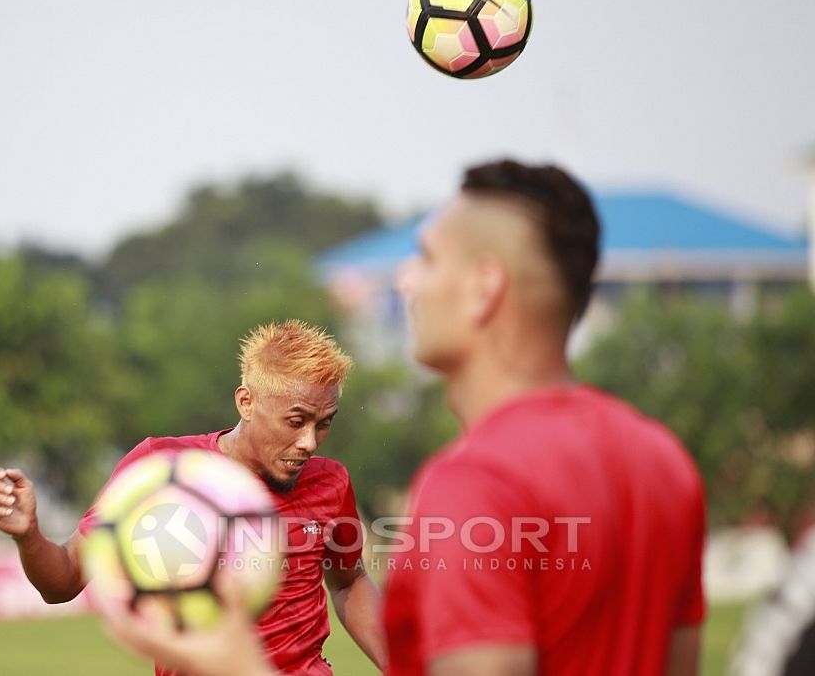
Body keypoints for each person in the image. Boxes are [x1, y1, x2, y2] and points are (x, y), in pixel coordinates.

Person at [102, 159, 707, 676]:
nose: (406, 278)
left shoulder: (475, 485)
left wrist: (236, 664)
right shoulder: (663, 460)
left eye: (427, 258)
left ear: (484, 287)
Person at [0, 319, 387, 675]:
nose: (309, 442)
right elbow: (64, 581)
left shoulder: (331, 483)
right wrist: (28, 535)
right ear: (246, 402)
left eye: (324, 424)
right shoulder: (162, 469)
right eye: (296, 421)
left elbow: (350, 584)